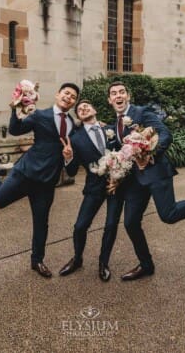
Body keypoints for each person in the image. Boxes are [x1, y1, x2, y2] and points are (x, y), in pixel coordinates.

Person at [107, 81, 185, 281]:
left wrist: (151, 153)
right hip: (135, 181)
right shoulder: (113, 125)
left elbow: (166, 134)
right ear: (110, 100)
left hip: (156, 171)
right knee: (131, 223)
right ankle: (146, 265)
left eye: (122, 92)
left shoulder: (142, 112)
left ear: (128, 96)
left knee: (169, 215)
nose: (118, 96)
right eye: (114, 93)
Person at [0, 82, 80, 278]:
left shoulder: (72, 125)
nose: (68, 98)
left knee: (41, 223)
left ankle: (37, 261)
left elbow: (71, 154)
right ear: (57, 94)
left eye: (72, 97)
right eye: (66, 93)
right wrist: (16, 108)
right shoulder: (40, 115)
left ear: (74, 103)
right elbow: (15, 130)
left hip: (47, 182)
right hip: (25, 173)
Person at [59, 100, 124, 281]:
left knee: (111, 226)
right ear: (79, 117)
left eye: (87, 106)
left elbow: (125, 153)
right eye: (79, 109)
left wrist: (119, 178)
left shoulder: (111, 129)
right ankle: (77, 258)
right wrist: (69, 157)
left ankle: (104, 262)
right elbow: (71, 172)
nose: (83, 108)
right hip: (93, 187)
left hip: (116, 185)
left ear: (95, 110)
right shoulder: (76, 138)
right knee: (80, 226)